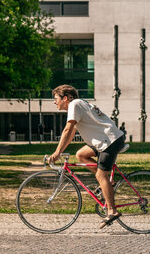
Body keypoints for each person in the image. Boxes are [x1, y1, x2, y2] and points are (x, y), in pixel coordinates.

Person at [49, 84, 126, 228]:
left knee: (100, 176)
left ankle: (112, 211)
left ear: (65, 98)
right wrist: (60, 149)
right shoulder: (78, 104)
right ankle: (108, 184)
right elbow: (71, 133)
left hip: (110, 141)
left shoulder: (74, 105)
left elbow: (67, 130)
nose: (54, 102)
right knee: (81, 155)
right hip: (105, 140)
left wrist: (57, 152)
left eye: (56, 98)